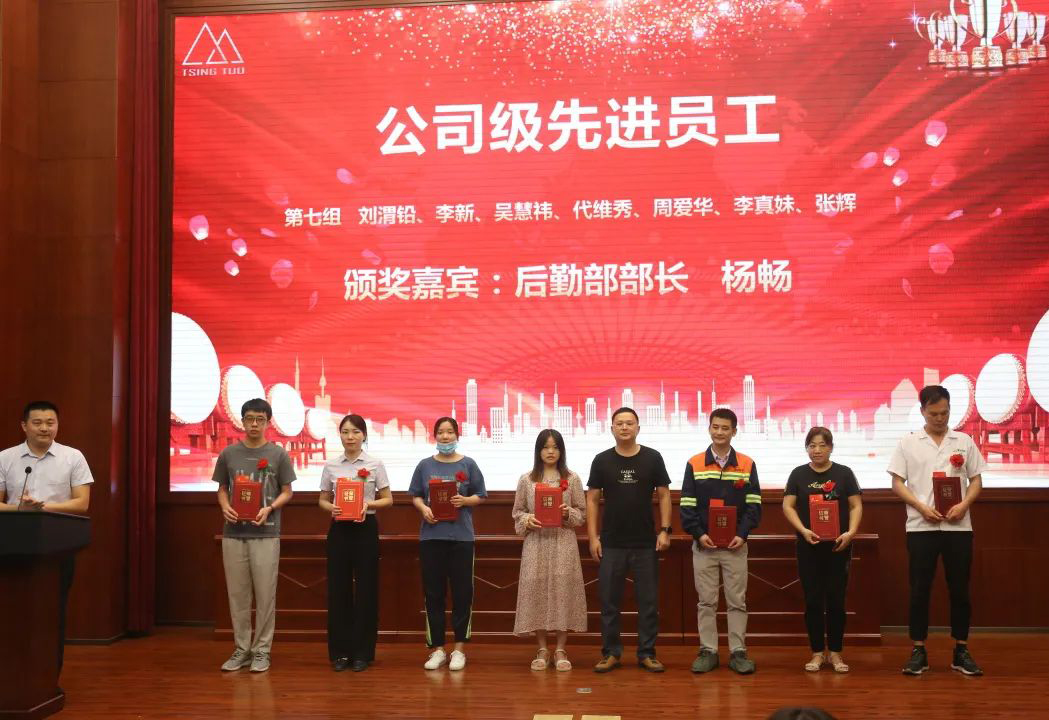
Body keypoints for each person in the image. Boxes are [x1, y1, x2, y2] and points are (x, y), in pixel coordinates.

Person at [889, 384, 986, 676]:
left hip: (958, 527)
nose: (940, 418)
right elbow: (897, 483)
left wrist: (964, 504)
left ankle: (961, 650)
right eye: (933, 414)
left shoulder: (964, 441)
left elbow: (977, 480)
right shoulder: (908, 443)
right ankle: (918, 649)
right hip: (921, 527)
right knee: (920, 589)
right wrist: (921, 507)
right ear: (922, 412)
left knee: (960, 589)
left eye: (944, 413)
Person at [0, 400, 93, 676]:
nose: (44, 428)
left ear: (57, 425)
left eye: (50, 423)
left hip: (57, 547)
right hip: (12, 546)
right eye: (37, 422)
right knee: (12, 613)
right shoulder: (5, 458)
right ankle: (11, 677)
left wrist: (42, 508)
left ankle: (49, 677)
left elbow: (81, 503)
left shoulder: (72, 457)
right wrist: (21, 509)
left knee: (53, 612)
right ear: (24, 426)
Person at [587, 407, 672, 674]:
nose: (624, 427)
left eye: (629, 423)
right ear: (611, 428)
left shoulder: (653, 458)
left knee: (648, 603)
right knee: (609, 602)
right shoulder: (601, 460)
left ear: (638, 428)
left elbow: (664, 495)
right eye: (619, 423)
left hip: (646, 542)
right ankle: (611, 653)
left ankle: (647, 653)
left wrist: (665, 530)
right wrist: (592, 537)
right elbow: (592, 500)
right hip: (611, 543)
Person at [213, 398, 295, 673]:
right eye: (249, 418)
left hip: (267, 533)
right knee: (237, 596)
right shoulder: (228, 454)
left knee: (265, 595)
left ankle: (262, 651)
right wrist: (225, 506)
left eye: (260, 419)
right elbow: (222, 488)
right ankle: (241, 649)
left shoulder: (278, 454)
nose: (254, 424)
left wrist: (270, 508)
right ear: (242, 421)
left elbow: (287, 491)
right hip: (233, 533)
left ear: (268, 422)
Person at [679, 408, 761, 674]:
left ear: (734, 431)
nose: (719, 432)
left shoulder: (746, 464)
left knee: (737, 601)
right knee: (706, 602)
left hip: (736, 546)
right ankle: (708, 651)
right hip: (704, 546)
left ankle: (738, 652)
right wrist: (699, 534)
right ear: (709, 429)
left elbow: (754, 505)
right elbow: (687, 505)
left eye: (725, 428)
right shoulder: (694, 463)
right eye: (715, 427)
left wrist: (742, 534)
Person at [408, 417, 487, 671]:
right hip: (431, 538)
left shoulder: (468, 464)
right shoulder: (425, 465)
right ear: (434, 436)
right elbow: (416, 496)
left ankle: (459, 650)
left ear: (457, 435)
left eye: (450, 432)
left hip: (462, 538)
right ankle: (438, 649)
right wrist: (423, 509)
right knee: (433, 594)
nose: (445, 437)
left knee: (463, 594)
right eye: (441, 432)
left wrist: (465, 501)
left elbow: (480, 495)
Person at [782, 427, 862, 673]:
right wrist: (802, 530)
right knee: (813, 601)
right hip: (809, 547)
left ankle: (836, 653)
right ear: (806, 448)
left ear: (831, 447)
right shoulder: (798, 474)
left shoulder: (844, 473)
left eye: (822, 445)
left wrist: (851, 533)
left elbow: (856, 505)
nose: (817, 450)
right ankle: (817, 653)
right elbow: (788, 505)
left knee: (836, 601)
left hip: (838, 547)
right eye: (812, 445)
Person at [319, 414, 392, 672]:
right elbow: (322, 500)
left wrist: (367, 504)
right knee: (338, 591)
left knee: (366, 591)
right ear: (340, 435)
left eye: (355, 432)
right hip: (339, 530)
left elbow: (388, 499)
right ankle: (340, 653)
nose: (350, 437)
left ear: (364, 435)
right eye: (345, 432)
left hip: (365, 529)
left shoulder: (375, 464)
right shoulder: (331, 465)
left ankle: (362, 653)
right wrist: (332, 507)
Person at [511, 429, 587, 671]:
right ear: (538, 451)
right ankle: (542, 648)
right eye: (545, 447)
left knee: (563, 591)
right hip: (537, 543)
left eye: (555, 447)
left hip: (563, 542)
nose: (551, 451)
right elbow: (517, 513)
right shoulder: (527, 479)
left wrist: (567, 513)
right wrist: (527, 520)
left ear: (561, 450)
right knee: (537, 593)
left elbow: (581, 514)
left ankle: (561, 648)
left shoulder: (572, 479)